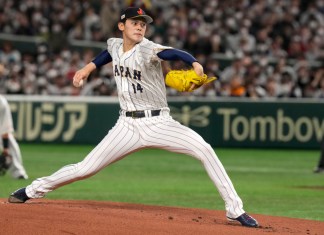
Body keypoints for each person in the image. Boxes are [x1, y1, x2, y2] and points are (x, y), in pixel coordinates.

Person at [8, 7, 258, 228]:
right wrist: (86, 68)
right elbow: (106, 55)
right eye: (134, 22)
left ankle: (235, 210)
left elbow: (171, 53)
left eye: (143, 23)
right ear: (121, 26)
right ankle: (32, 190)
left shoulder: (148, 48)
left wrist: (194, 63)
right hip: (126, 125)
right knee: (85, 168)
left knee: (204, 149)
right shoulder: (115, 45)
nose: (140, 26)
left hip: (159, 122)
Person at [0, 95, 28, 179]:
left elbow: (5, 129)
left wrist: (6, 148)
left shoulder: (1, 103)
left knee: (11, 144)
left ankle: (18, 173)